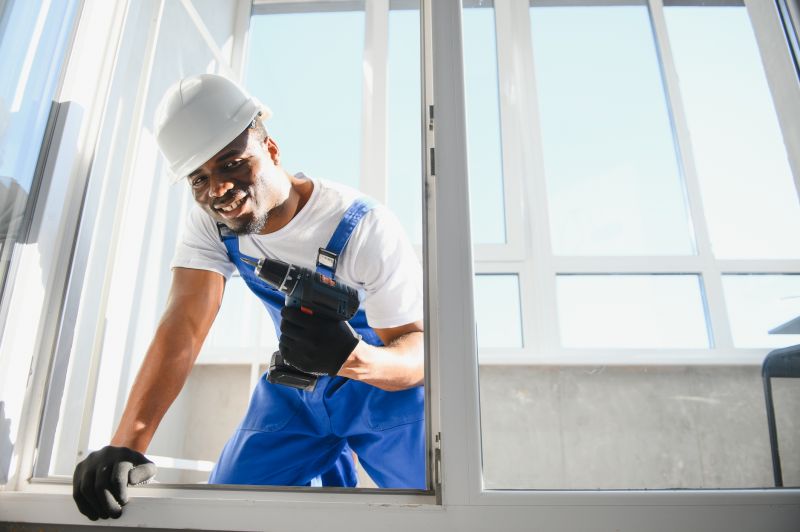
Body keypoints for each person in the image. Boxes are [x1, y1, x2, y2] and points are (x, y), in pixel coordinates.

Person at [72, 74, 425, 521]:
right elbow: (184, 325)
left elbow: (419, 355)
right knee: (226, 511)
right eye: (198, 179)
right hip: (296, 390)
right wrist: (127, 445)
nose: (217, 189)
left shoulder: (362, 227)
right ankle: (329, 457)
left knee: (438, 508)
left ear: (271, 150)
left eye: (232, 164)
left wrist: (355, 359)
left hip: (384, 390)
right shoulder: (213, 224)